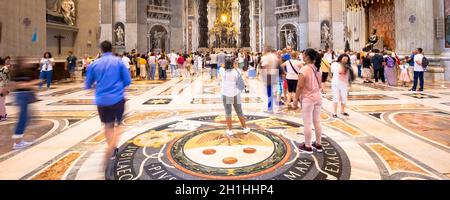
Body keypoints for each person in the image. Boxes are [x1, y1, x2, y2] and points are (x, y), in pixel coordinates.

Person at [85, 41, 132, 171]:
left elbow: (87, 84)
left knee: (108, 125)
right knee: (119, 124)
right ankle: (111, 148)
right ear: (112, 49)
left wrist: (99, 85)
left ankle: (112, 147)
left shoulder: (94, 64)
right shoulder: (118, 62)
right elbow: (128, 81)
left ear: (101, 50)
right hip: (117, 99)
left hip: (101, 100)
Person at [295, 49, 323, 154]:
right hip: (318, 97)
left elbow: (300, 86)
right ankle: (319, 144)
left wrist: (295, 99)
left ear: (307, 56)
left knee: (307, 123)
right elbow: (320, 84)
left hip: (308, 99)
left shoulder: (304, 69)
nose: (302, 56)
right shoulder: (318, 68)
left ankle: (308, 146)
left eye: (303, 54)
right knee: (317, 121)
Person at [9, 58, 41, 149]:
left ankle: (19, 139)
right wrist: (31, 85)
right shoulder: (15, 73)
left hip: (26, 95)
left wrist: (32, 86)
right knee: (22, 118)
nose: (28, 63)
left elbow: (26, 84)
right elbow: (15, 85)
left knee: (27, 117)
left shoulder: (26, 72)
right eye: (25, 62)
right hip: (20, 96)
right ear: (21, 64)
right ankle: (17, 142)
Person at [218, 57, 251, 137]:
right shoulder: (237, 71)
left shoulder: (222, 71)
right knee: (239, 111)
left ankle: (230, 130)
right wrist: (235, 67)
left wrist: (227, 64)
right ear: (233, 64)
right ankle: (245, 128)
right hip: (235, 94)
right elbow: (240, 84)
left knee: (228, 112)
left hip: (226, 94)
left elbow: (221, 66)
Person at [331, 54, 354, 118]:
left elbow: (350, 75)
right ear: (340, 58)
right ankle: (334, 112)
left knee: (344, 97)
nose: (345, 60)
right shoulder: (335, 64)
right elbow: (336, 71)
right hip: (335, 83)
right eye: (344, 59)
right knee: (336, 97)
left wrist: (350, 83)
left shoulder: (348, 65)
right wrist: (343, 67)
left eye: (346, 59)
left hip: (344, 84)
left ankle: (342, 111)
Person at [260, 46, 280, 113]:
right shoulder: (274, 56)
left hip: (268, 74)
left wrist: (262, 75)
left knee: (268, 92)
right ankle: (274, 106)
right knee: (273, 90)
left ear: (266, 50)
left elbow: (264, 66)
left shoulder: (265, 57)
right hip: (274, 73)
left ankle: (270, 107)